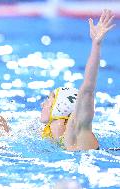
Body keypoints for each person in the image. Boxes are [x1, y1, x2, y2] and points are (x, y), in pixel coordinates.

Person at [40, 9, 115, 150]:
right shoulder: (52, 134)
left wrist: (96, 45)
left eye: (48, 99)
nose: (42, 104)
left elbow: (87, 89)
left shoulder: (78, 129)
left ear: (60, 106)